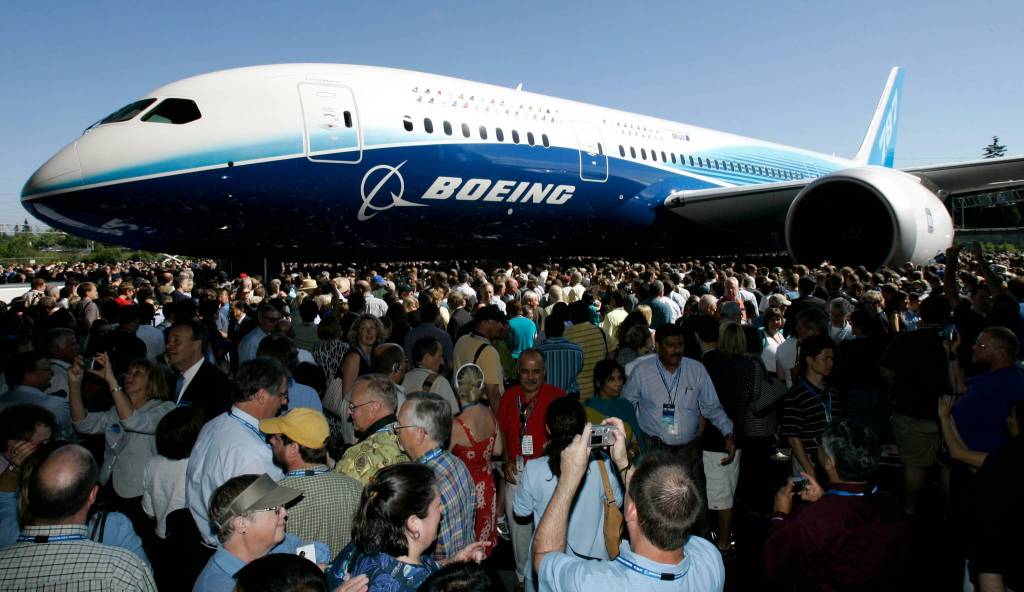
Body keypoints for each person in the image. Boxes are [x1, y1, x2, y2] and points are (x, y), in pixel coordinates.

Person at [531, 420, 725, 590]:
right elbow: (648, 502)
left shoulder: (593, 583)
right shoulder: (710, 559)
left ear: (632, 511)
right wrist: (622, 461)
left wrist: (569, 478)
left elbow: (543, 557)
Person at [763, 420, 911, 590]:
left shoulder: (812, 518)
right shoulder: (889, 503)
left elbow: (775, 568)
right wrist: (825, 499)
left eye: (821, 444)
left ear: (829, 461)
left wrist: (780, 516)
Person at [622, 323, 735, 529]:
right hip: (654, 449)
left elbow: (712, 407)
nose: (676, 350)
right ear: (657, 345)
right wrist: (629, 439)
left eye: (680, 344)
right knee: (655, 503)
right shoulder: (642, 372)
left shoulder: (696, 369)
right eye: (670, 345)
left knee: (695, 503)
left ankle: (699, 550)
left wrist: (727, 433)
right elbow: (626, 407)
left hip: (688, 452)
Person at [0, 444, 156, 590]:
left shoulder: (6, 539)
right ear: (92, 495)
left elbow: (4, 500)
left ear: (27, 495)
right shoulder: (122, 568)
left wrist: (14, 467)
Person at [514, 397, 623, 592]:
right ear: (585, 428)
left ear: (548, 428)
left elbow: (520, 512)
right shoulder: (602, 464)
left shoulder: (534, 469)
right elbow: (618, 502)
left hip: (546, 565)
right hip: (593, 570)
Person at [326, 463, 487, 591]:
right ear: (414, 523)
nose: (442, 510)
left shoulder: (364, 544)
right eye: (437, 506)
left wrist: (450, 563)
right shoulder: (419, 586)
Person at [187, 358, 289, 546]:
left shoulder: (212, 424)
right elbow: (269, 516)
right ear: (261, 396)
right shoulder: (254, 451)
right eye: (282, 395)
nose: (284, 402)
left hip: (199, 538)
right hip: (233, 548)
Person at [69, 353, 174, 528]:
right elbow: (83, 424)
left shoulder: (164, 409)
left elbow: (133, 421)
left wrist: (111, 381)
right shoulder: (115, 410)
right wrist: (74, 383)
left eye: (137, 373)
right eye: (128, 372)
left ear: (153, 382)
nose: (128, 377)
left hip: (140, 493)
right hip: (108, 486)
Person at [497, 349, 566, 588]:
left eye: (536, 371)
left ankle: (548, 580)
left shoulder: (558, 397)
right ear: (518, 372)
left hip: (549, 475)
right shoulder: (509, 396)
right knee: (519, 532)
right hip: (516, 474)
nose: (530, 377)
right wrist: (506, 459)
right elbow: (505, 432)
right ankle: (521, 577)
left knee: (548, 530)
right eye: (525, 371)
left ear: (544, 371)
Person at [193, 474, 329, 592]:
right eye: (276, 509)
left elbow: (318, 551)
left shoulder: (281, 545)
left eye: (283, 506)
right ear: (241, 524)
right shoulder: (218, 586)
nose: (284, 513)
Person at [262, 407, 362, 559]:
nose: (271, 440)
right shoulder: (356, 488)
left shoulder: (274, 498)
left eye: (276, 438)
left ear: (294, 449)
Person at [395, 392, 476, 561]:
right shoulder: (457, 463)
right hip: (464, 566)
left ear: (420, 434)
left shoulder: (422, 487)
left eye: (399, 426)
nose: (395, 431)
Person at [449, 363, 502, 558]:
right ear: (481, 388)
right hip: (487, 485)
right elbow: (498, 449)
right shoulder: (490, 414)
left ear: (457, 388)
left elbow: (443, 461)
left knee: (466, 545)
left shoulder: (456, 424)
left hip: (465, 489)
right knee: (482, 539)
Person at [951, 326, 1024, 453]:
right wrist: (953, 351)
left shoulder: (1002, 382)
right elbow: (960, 387)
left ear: (1001, 352)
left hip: (986, 459)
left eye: (981, 345)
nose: (974, 347)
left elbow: (957, 405)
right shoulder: (996, 374)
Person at [781, 334, 842, 478]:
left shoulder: (832, 392)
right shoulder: (796, 395)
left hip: (832, 460)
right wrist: (809, 470)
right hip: (807, 461)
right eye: (825, 358)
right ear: (809, 360)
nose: (830, 363)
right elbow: (793, 437)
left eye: (832, 358)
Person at [334, 374, 409, 484]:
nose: (348, 412)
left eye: (353, 406)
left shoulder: (361, 453)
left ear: (374, 408)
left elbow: (340, 494)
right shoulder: (408, 438)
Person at [165, 320, 235, 420]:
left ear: (196, 345)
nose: (168, 346)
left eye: (176, 341)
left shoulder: (217, 383)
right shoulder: (171, 379)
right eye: (168, 341)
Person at [0, 350, 72, 440]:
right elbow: (68, 436)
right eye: (46, 369)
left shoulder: (2, 401)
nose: (52, 373)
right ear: (28, 375)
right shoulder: (56, 404)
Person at [586, 359, 644, 455]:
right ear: (599, 383)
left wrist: (630, 454)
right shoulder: (589, 409)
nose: (618, 383)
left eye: (620, 378)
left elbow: (636, 440)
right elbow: (590, 443)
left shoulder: (626, 405)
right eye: (611, 380)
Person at [453, 305, 506, 410]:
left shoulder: (462, 340)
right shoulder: (489, 352)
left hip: (463, 408)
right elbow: (494, 396)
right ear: (486, 322)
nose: (501, 326)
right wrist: (501, 424)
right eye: (498, 321)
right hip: (484, 412)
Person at [402, 337, 459, 414]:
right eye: (440, 356)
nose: (442, 362)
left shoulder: (402, 378)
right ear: (427, 358)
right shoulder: (439, 381)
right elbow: (452, 414)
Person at [536, 314, 584, 396]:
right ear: (563, 329)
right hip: (570, 397)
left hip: (546, 397)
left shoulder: (538, 352)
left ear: (546, 330)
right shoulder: (577, 350)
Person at [341, 314, 385, 400]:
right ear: (357, 334)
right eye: (364, 328)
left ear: (377, 332)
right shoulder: (354, 357)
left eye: (372, 328)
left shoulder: (375, 356)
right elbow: (346, 395)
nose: (369, 331)